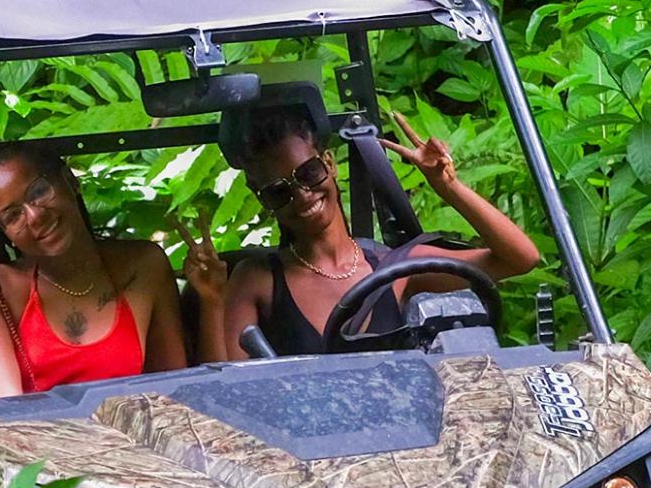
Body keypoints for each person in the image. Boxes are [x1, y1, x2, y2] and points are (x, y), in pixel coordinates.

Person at [182, 107, 541, 360]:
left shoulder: (395, 268)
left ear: (329, 165)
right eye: (279, 191)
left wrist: (447, 187)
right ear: (263, 199)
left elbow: (520, 258)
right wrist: (212, 300)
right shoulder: (259, 279)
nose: (303, 195)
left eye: (308, 174)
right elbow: (226, 387)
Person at [0, 144, 188, 399]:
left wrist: (212, 303)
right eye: (13, 216)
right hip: (33, 435)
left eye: (38, 191)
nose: (34, 216)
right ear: (5, 233)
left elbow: (175, 387)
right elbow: (1, 398)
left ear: (70, 180)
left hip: (132, 434)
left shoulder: (143, 265)